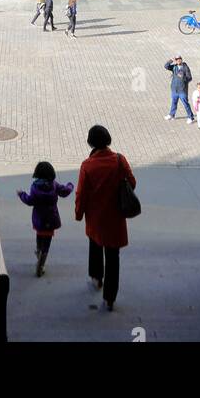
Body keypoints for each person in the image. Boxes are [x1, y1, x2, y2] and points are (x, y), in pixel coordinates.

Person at [74, 124, 137, 311]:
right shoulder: (119, 160)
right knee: (113, 257)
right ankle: (110, 297)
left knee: (94, 245)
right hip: (116, 217)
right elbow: (132, 183)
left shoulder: (87, 166)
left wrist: (78, 214)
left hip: (95, 217)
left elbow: (81, 194)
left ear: (90, 142)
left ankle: (96, 277)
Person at [18, 161, 74, 277]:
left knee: (39, 237)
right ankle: (41, 263)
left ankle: (39, 252)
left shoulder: (35, 187)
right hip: (51, 218)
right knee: (47, 242)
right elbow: (65, 191)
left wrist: (21, 194)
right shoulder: (54, 185)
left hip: (39, 219)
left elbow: (29, 201)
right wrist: (70, 185)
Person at [164, 54, 195, 121]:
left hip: (182, 90)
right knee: (174, 102)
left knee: (185, 104)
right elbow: (166, 66)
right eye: (176, 59)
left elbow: (190, 78)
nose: (178, 61)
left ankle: (191, 117)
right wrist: (171, 60)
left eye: (179, 59)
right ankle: (172, 115)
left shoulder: (185, 67)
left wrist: (183, 78)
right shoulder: (174, 67)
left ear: (181, 59)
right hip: (174, 89)